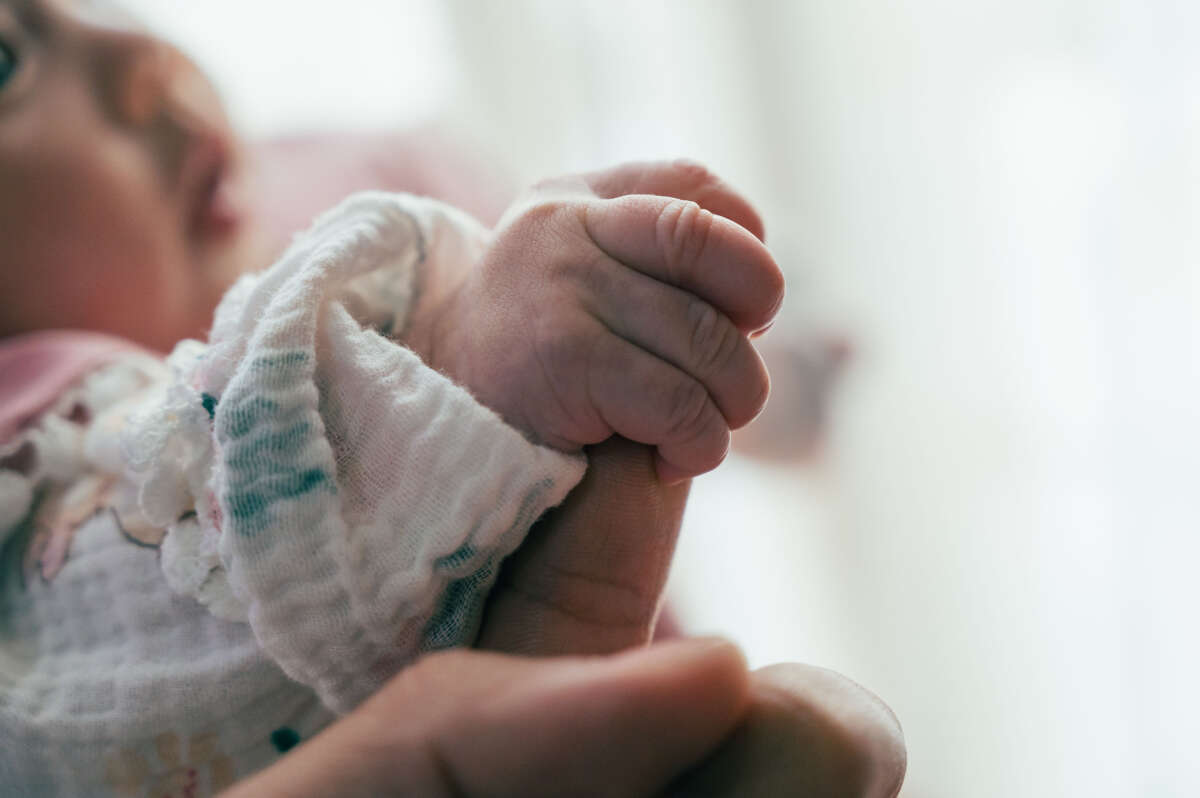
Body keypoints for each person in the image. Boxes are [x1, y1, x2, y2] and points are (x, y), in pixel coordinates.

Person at [0, 1, 903, 795]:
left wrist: (722, 329)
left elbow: (558, 288)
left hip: (627, 679)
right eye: (7, 57)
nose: (147, 56)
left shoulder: (340, 177)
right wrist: (462, 357)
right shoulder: (33, 444)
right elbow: (127, 629)